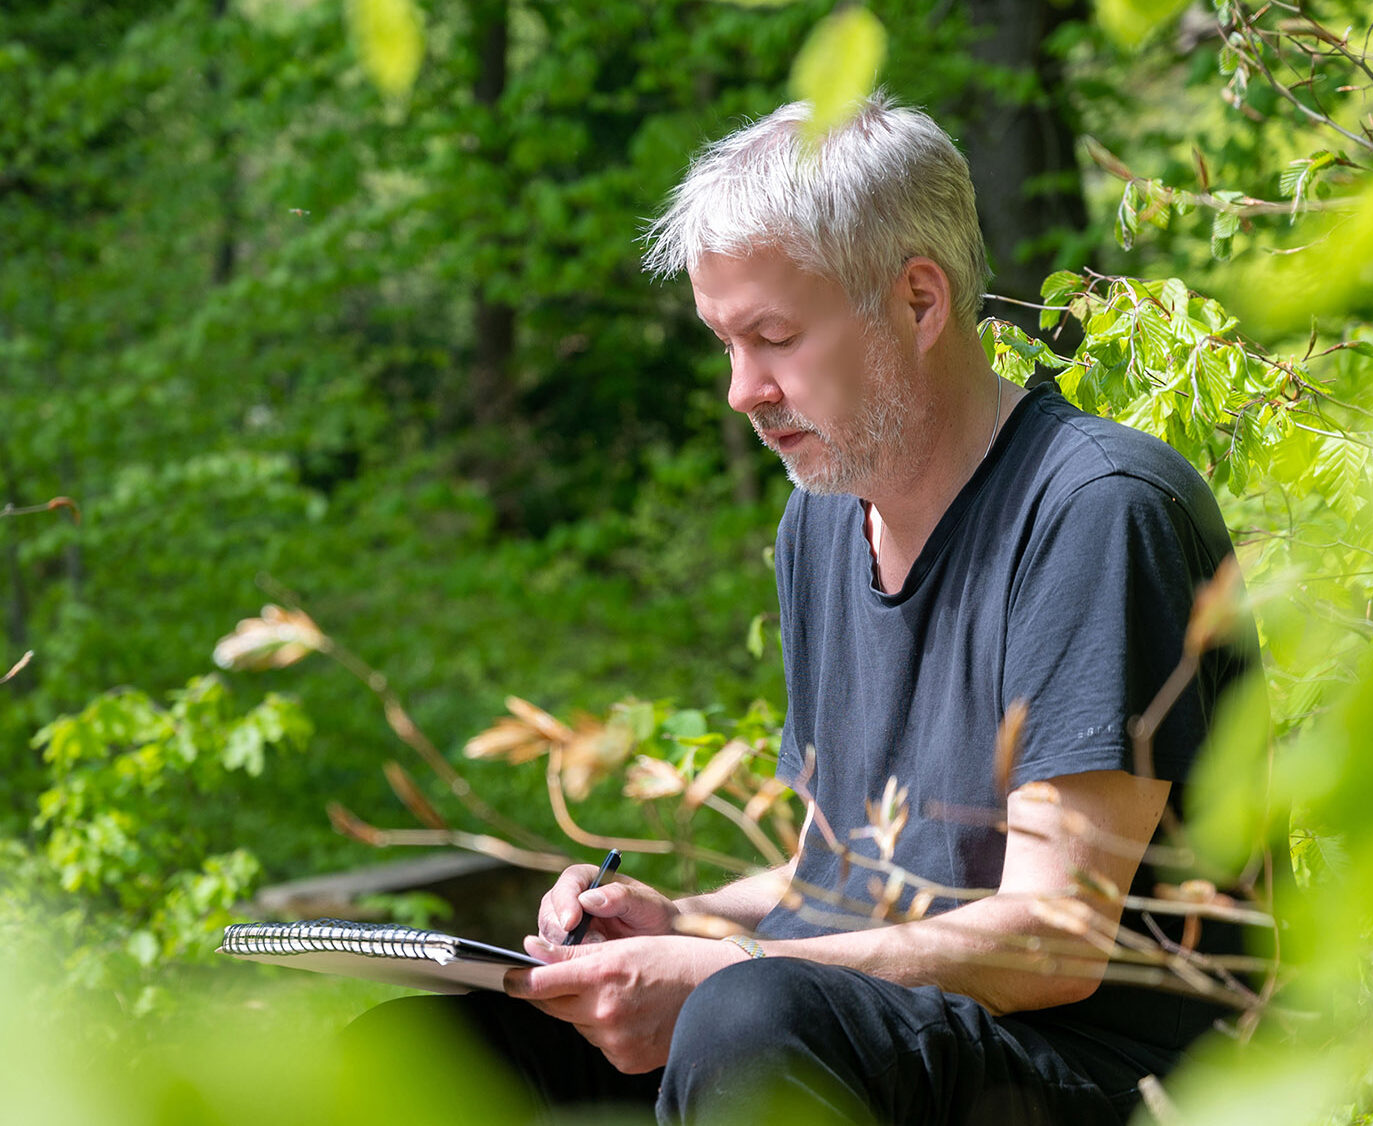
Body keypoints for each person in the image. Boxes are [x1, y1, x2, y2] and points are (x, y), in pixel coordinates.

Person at [348, 94, 1254, 1126]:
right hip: (877, 1038)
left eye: (773, 337)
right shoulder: (820, 521)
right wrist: (671, 922)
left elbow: (1053, 938)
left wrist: (717, 969)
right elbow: (847, 875)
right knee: (416, 1052)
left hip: (1092, 1078)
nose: (742, 389)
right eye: (724, 343)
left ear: (918, 302)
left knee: (745, 1016)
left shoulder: (1094, 510)